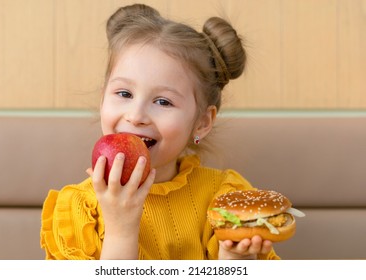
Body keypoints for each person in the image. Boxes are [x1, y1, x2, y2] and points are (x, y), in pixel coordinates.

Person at [40, 3, 279, 260]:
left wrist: (236, 258)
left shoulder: (225, 200)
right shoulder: (80, 210)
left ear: (202, 122)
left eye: (163, 101)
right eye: (124, 93)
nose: (136, 116)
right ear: (102, 100)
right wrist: (121, 229)